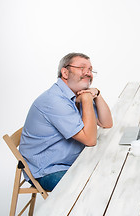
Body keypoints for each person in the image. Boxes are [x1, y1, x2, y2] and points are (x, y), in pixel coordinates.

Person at [19, 53, 113, 191]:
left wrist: (97, 95)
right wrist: (87, 99)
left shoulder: (76, 93)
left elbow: (107, 123)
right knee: (95, 187)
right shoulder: (54, 100)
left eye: (90, 69)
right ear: (65, 72)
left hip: (70, 162)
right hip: (48, 170)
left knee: (111, 173)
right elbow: (90, 140)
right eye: (82, 68)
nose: (88, 73)